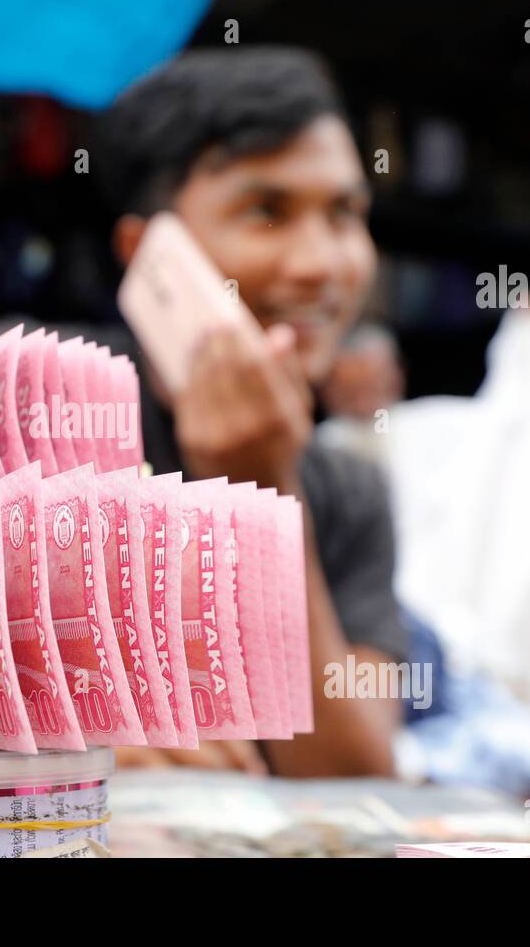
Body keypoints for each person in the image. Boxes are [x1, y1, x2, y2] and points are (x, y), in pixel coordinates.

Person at [95, 47, 406, 776]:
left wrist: (260, 494)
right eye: (266, 212)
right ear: (147, 253)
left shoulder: (350, 493)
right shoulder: (38, 415)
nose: (321, 264)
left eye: (345, 214)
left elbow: (353, 778)